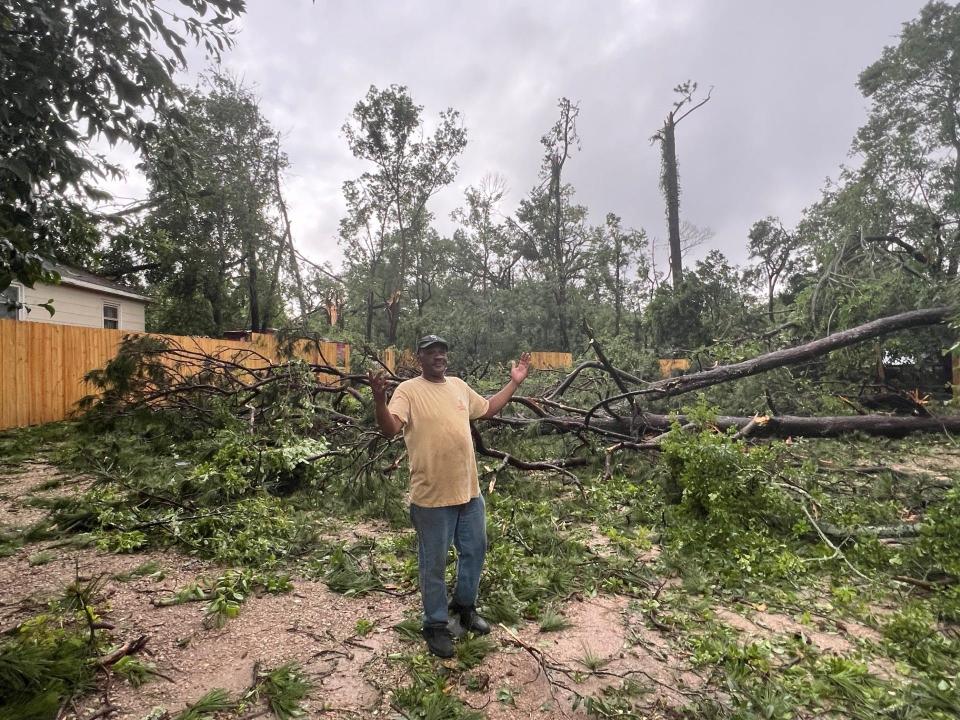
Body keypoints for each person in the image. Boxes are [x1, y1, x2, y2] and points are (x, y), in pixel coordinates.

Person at [368, 334, 531, 658]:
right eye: (431, 352)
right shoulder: (409, 391)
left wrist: (514, 383)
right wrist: (378, 401)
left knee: (475, 550)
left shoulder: (457, 385)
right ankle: (436, 625)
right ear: (420, 358)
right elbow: (390, 428)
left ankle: (465, 607)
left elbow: (487, 409)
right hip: (431, 499)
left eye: (442, 351)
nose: (439, 356)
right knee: (434, 564)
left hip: (468, 492)